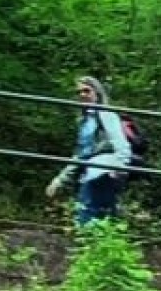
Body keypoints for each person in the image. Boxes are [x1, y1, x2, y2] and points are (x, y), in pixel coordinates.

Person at [45, 76, 132, 226]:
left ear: (97, 93)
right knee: (104, 215)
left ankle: (89, 243)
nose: (82, 95)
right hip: (93, 171)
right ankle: (104, 245)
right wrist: (60, 180)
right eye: (79, 92)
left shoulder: (105, 114)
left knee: (87, 212)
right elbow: (81, 154)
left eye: (86, 91)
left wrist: (119, 168)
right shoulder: (85, 121)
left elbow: (121, 144)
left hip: (105, 170)